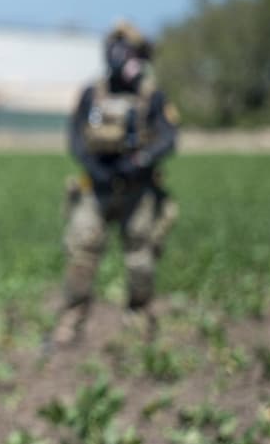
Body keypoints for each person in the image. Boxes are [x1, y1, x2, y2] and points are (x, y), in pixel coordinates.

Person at [50, 20, 178, 346]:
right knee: (81, 254)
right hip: (96, 188)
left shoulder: (152, 97)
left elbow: (168, 139)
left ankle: (139, 328)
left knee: (140, 260)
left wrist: (139, 161)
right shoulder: (92, 95)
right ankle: (69, 327)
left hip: (138, 190)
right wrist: (95, 167)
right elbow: (76, 139)